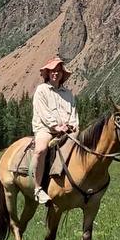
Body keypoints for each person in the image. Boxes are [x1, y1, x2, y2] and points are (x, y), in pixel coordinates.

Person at [31, 57, 79, 205]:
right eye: (52, 71)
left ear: (62, 75)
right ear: (47, 73)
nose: (55, 74)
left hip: (66, 131)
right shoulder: (41, 90)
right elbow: (44, 113)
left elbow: (73, 112)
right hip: (46, 129)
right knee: (41, 149)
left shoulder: (68, 94)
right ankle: (38, 188)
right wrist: (57, 127)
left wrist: (72, 126)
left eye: (58, 71)